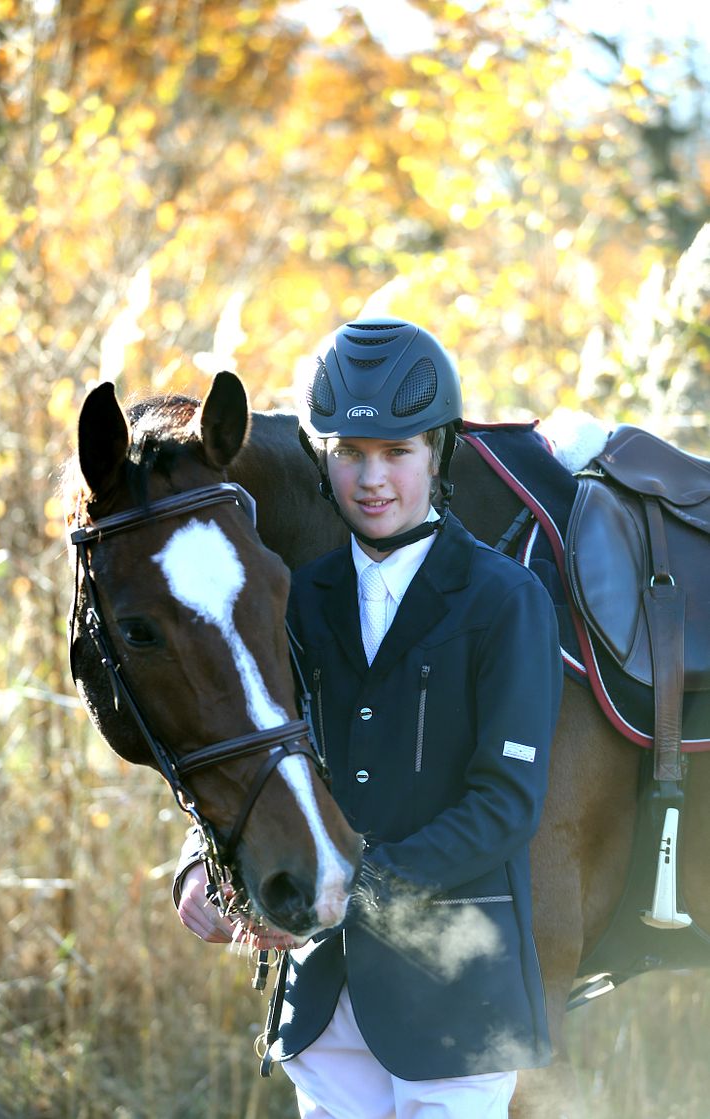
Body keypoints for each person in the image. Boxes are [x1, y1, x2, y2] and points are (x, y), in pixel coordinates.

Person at [174, 318, 563, 1119]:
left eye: (398, 452)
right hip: (323, 1010)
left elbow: (506, 804)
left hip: (455, 1005)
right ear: (323, 458)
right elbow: (257, 753)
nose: (371, 477)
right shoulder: (295, 595)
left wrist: (355, 890)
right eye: (349, 452)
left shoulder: (507, 600)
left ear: (441, 451)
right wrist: (199, 866)